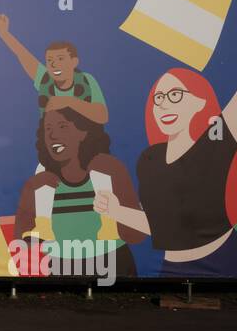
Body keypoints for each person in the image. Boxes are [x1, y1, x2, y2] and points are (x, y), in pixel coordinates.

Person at [97, 0, 237, 278]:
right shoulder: (149, 160)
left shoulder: (214, 142)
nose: (164, 103)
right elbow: (162, 224)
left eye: (176, 94)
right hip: (173, 270)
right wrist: (116, 211)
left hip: (229, 262)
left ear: (200, 103)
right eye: (159, 97)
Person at [14, 106, 145, 277]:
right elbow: (21, 243)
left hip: (113, 264)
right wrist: (30, 190)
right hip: (61, 267)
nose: (53, 136)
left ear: (83, 132)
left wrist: (114, 210)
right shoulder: (41, 180)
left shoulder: (109, 168)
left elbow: (136, 236)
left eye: (63, 126)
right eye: (48, 130)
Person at [0, 14, 108, 124]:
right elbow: (22, 54)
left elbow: (102, 116)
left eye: (60, 59)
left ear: (74, 62)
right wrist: (4, 33)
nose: (54, 65)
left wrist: (67, 101)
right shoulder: (45, 79)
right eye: (50, 60)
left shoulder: (86, 80)